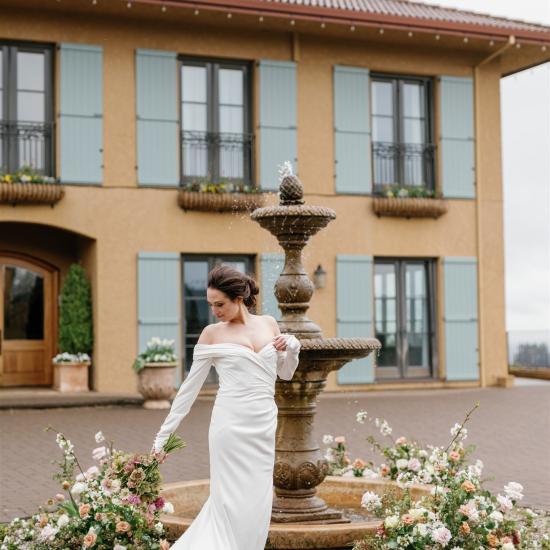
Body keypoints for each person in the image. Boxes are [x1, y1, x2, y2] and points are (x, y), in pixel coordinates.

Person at [151, 265, 301, 550]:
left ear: (239, 298)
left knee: (257, 504)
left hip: (264, 426)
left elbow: (285, 374)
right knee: (229, 504)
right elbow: (187, 391)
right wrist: (162, 437)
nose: (214, 311)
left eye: (219, 304)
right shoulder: (211, 334)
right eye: (210, 305)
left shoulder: (269, 323)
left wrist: (292, 349)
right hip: (229, 428)